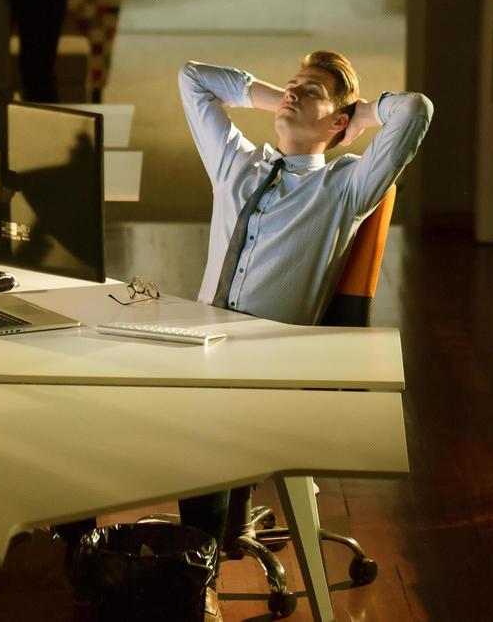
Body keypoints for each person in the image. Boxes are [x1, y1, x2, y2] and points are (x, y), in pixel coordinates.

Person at [174, 50, 433, 618]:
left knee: (202, 426)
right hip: (200, 347)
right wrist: (289, 99)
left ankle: (198, 584)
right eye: (290, 86)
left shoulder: (342, 189)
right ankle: (92, 560)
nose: (291, 94)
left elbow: (415, 111)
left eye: (309, 91)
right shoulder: (235, 162)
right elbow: (193, 79)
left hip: (268, 365)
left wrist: (358, 114)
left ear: (337, 124)